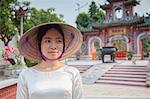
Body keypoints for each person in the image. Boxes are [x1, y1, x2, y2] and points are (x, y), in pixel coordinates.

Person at [17, 22, 83, 99]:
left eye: (59, 41)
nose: (53, 46)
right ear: (39, 44)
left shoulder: (73, 73)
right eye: (48, 41)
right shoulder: (26, 75)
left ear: (63, 44)